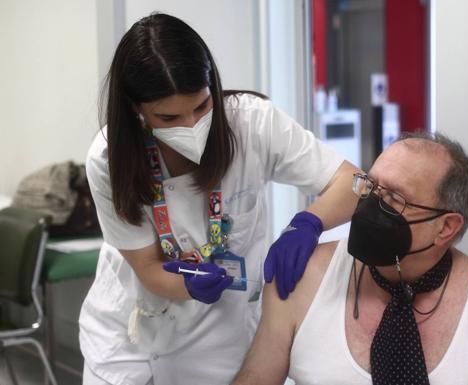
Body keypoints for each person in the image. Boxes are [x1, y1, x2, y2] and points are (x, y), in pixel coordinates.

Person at [79, 13, 358, 385]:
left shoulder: (252, 124)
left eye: (201, 106)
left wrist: (308, 224)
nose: (191, 125)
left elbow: (353, 183)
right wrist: (187, 284)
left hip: (221, 336)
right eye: (169, 117)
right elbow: (147, 267)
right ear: (136, 109)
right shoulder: (109, 159)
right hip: (128, 332)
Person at [232, 132, 468, 385]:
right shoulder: (304, 275)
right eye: (371, 186)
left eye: (395, 197)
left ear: (446, 227)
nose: (372, 204)